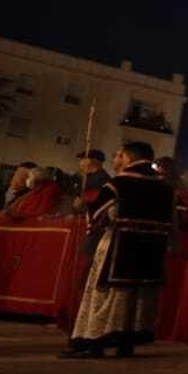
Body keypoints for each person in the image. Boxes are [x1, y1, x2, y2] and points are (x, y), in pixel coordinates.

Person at [60, 142, 176, 359]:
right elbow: (172, 222)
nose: (116, 160)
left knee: (104, 296)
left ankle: (95, 343)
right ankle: (126, 344)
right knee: (137, 297)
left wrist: (84, 207)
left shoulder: (118, 183)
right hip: (150, 253)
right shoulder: (165, 187)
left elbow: (96, 216)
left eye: (119, 156)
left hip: (117, 248)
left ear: (128, 158)